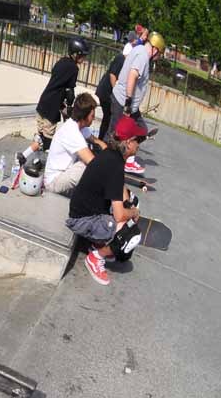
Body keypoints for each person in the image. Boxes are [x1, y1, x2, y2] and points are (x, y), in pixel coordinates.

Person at [66, 116, 147, 286]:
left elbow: (119, 186)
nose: (139, 144)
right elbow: (119, 215)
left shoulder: (111, 156)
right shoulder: (115, 165)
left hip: (83, 212)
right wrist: (133, 212)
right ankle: (96, 257)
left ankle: (98, 243)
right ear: (130, 142)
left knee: (124, 250)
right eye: (138, 140)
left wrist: (129, 205)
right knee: (130, 235)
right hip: (82, 220)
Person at [18, 37, 89, 164]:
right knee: (48, 142)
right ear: (76, 54)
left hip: (43, 102)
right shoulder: (73, 68)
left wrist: (62, 106)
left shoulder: (61, 61)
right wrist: (69, 105)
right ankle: (42, 169)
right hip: (51, 108)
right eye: (83, 55)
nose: (84, 59)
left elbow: (57, 86)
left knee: (40, 137)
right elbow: (69, 91)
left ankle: (23, 156)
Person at [110, 30, 165, 173]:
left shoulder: (140, 50)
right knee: (116, 136)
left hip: (129, 105)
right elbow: (132, 76)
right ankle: (107, 163)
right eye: (158, 55)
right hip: (123, 102)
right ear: (154, 49)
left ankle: (127, 159)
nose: (157, 58)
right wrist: (128, 104)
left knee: (141, 130)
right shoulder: (143, 56)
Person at [43, 93, 106, 196]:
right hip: (54, 182)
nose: (94, 118)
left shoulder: (80, 126)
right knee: (88, 166)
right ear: (84, 117)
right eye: (92, 116)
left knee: (95, 158)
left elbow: (95, 140)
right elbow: (92, 162)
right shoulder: (72, 132)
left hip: (64, 174)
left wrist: (105, 148)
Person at [95, 49, 126, 141]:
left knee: (108, 118)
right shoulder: (121, 58)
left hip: (108, 92)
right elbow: (112, 75)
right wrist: (116, 93)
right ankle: (103, 140)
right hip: (106, 92)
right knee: (109, 118)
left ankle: (102, 140)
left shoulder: (124, 60)